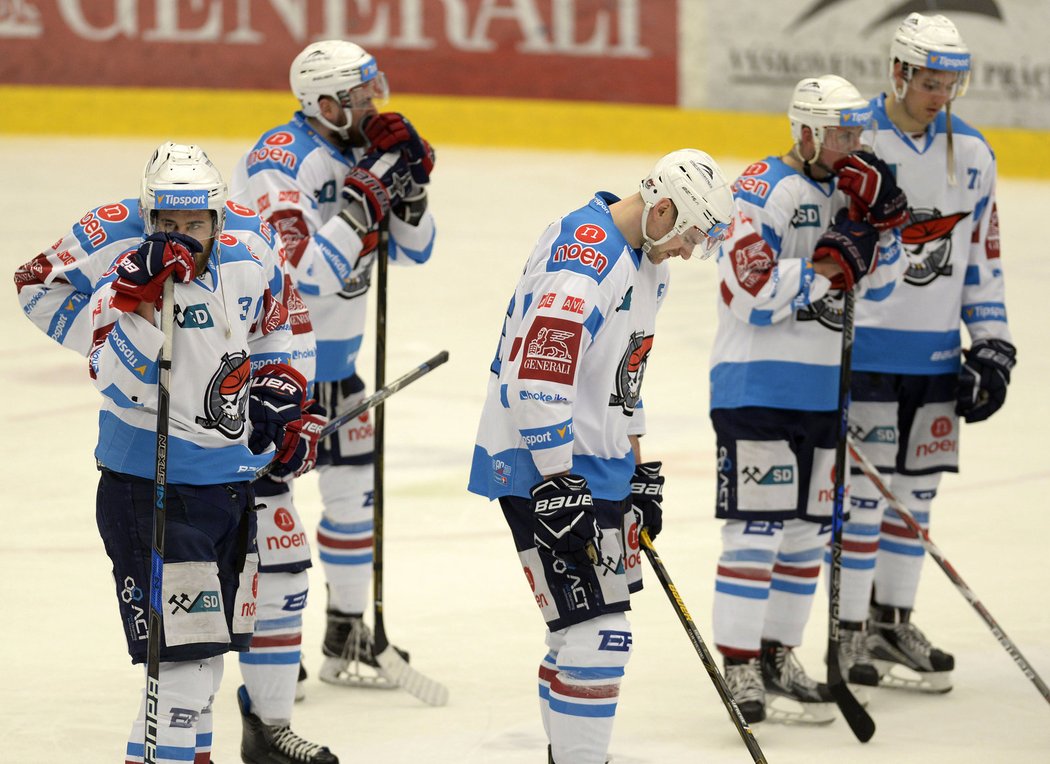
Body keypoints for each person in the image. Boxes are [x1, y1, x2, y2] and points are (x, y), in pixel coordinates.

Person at [14, 143, 338, 764]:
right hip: (148, 484)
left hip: (231, 483)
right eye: (166, 223)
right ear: (147, 214)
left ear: (218, 216)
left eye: (195, 224)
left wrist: (281, 397)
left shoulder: (251, 240)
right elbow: (36, 285)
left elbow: (284, 322)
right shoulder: (111, 237)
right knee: (184, 668)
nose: (182, 235)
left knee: (201, 667)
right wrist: (121, 313)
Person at [468, 149, 735, 764]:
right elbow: (538, 377)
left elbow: (625, 377)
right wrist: (557, 482)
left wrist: (636, 467)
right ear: (664, 208)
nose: (690, 252)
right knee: (601, 634)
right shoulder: (586, 258)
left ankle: (572, 754)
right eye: (691, 236)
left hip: (596, 463)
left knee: (577, 631)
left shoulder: (649, 263)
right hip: (545, 463)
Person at [230, 38, 437, 691]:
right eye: (359, 95)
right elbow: (307, 276)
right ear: (323, 102)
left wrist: (408, 187)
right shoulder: (277, 162)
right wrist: (363, 197)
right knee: (272, 514)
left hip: (339, 369)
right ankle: (269, 641)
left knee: (354, 501)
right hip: (274, 373)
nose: (374, 103)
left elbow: (418, 252)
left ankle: (347, 633)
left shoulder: (358, 152)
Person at [709, 75, 908, 724]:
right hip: (756, 387)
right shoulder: (761, 189)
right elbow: (748, 291)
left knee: (806, 535)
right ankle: (737, 665)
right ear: (805, 131)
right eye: (842, 133)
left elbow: (877, 294)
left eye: (858, 132)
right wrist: (829, 264)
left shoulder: (853, 194)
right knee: (757, 530)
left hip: (824, 389)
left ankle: (778, 655)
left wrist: (882, 229)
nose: (855, 145)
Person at [836, 12, 1017, 694]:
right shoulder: (853, 144)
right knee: (861, 498)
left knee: (916, 499)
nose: (941, 93)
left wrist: (993, 344)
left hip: (936, 361)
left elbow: (982, 257)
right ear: (900, 72)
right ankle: (847, 627)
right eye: (931, 80)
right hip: (869, 355)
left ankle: (891, 621)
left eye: (951, 82)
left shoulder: (972, 154)